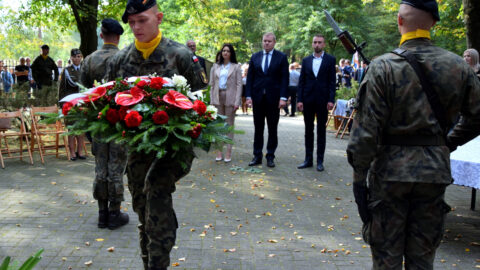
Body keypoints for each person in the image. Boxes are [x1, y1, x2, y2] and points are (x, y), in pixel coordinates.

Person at [346, 1, 480, 269]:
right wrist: (445, 144)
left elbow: (364, 136)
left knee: (386, 259)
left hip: (390, 175)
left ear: (399, 21)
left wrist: (359, 179)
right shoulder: (458, 66)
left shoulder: (383, 67)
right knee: (422, 260)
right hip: (433, 173)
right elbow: (477, 116)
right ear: (433, 23)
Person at [106, 0, 207, 268]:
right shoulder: (120, 60)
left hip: (175, 147)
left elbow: (201, 105)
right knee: (145, 210)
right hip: (138, 147)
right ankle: (149, 259)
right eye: (132, 22)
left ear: (159, 17)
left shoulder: (181, 56)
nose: (136, 27)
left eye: (143, 20)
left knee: (156, 189)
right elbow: (108, 105)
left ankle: (157, 264)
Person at [80, 18, 129, 230]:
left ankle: (102, 214)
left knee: (100, 168)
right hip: (120, 122)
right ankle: (114, 213)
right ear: (119, 36)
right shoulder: (126, 58)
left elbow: (83, 89)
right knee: (116, 167)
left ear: (101, 35)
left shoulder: (89, 59)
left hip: (98, 121)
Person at [245, 32, 289, 168]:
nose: (266, 43)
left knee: (272, 128)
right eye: (264, 41)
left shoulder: (281, 57)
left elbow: (284, 79)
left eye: (269, 41)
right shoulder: (255, 56)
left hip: (274, 99)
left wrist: (283, 98)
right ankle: (257, 155)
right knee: (258, 128)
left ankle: (270, 156)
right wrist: (248, 96)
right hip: (258, 98)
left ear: (274, 42)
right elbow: (250, 78)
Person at [296, 34, 336, 172]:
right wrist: (299, 99)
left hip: (323, 100)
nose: (317, 44)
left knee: (321, 131)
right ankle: (308, 159)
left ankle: (320, 161)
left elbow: (332, 82)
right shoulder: (306, 60)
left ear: (324, 44)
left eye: (319, 42)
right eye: (315, 42)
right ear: (312, 44)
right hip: (307, 99)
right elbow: (301, 82)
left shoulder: (330, 60)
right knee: (308, 131)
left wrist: (331, 100)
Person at [209, 43, 242, 162]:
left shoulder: (236, 67)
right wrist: (212, 100)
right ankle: (219, 151)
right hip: (218, 98)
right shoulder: (215, 67)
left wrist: (237, 101)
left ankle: (228, 152)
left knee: (228, 125)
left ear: (231, 53)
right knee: (218, 126)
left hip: (230, 98)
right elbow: (211, 85)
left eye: (228, 51)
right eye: (224, 51)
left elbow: (239, 85)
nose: (225, 53)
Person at [58, 48, 86, 161]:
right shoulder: (67, 71)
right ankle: (72, 152)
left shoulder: (84, 70)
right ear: (71, 58)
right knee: (72, 129)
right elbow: (62, 88)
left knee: (82, 129)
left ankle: (80, 151)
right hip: (70, 103)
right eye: (74, 57)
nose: (77, 59)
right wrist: (62, 104)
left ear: (81, 57)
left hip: (82, 103)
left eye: (79, 56)